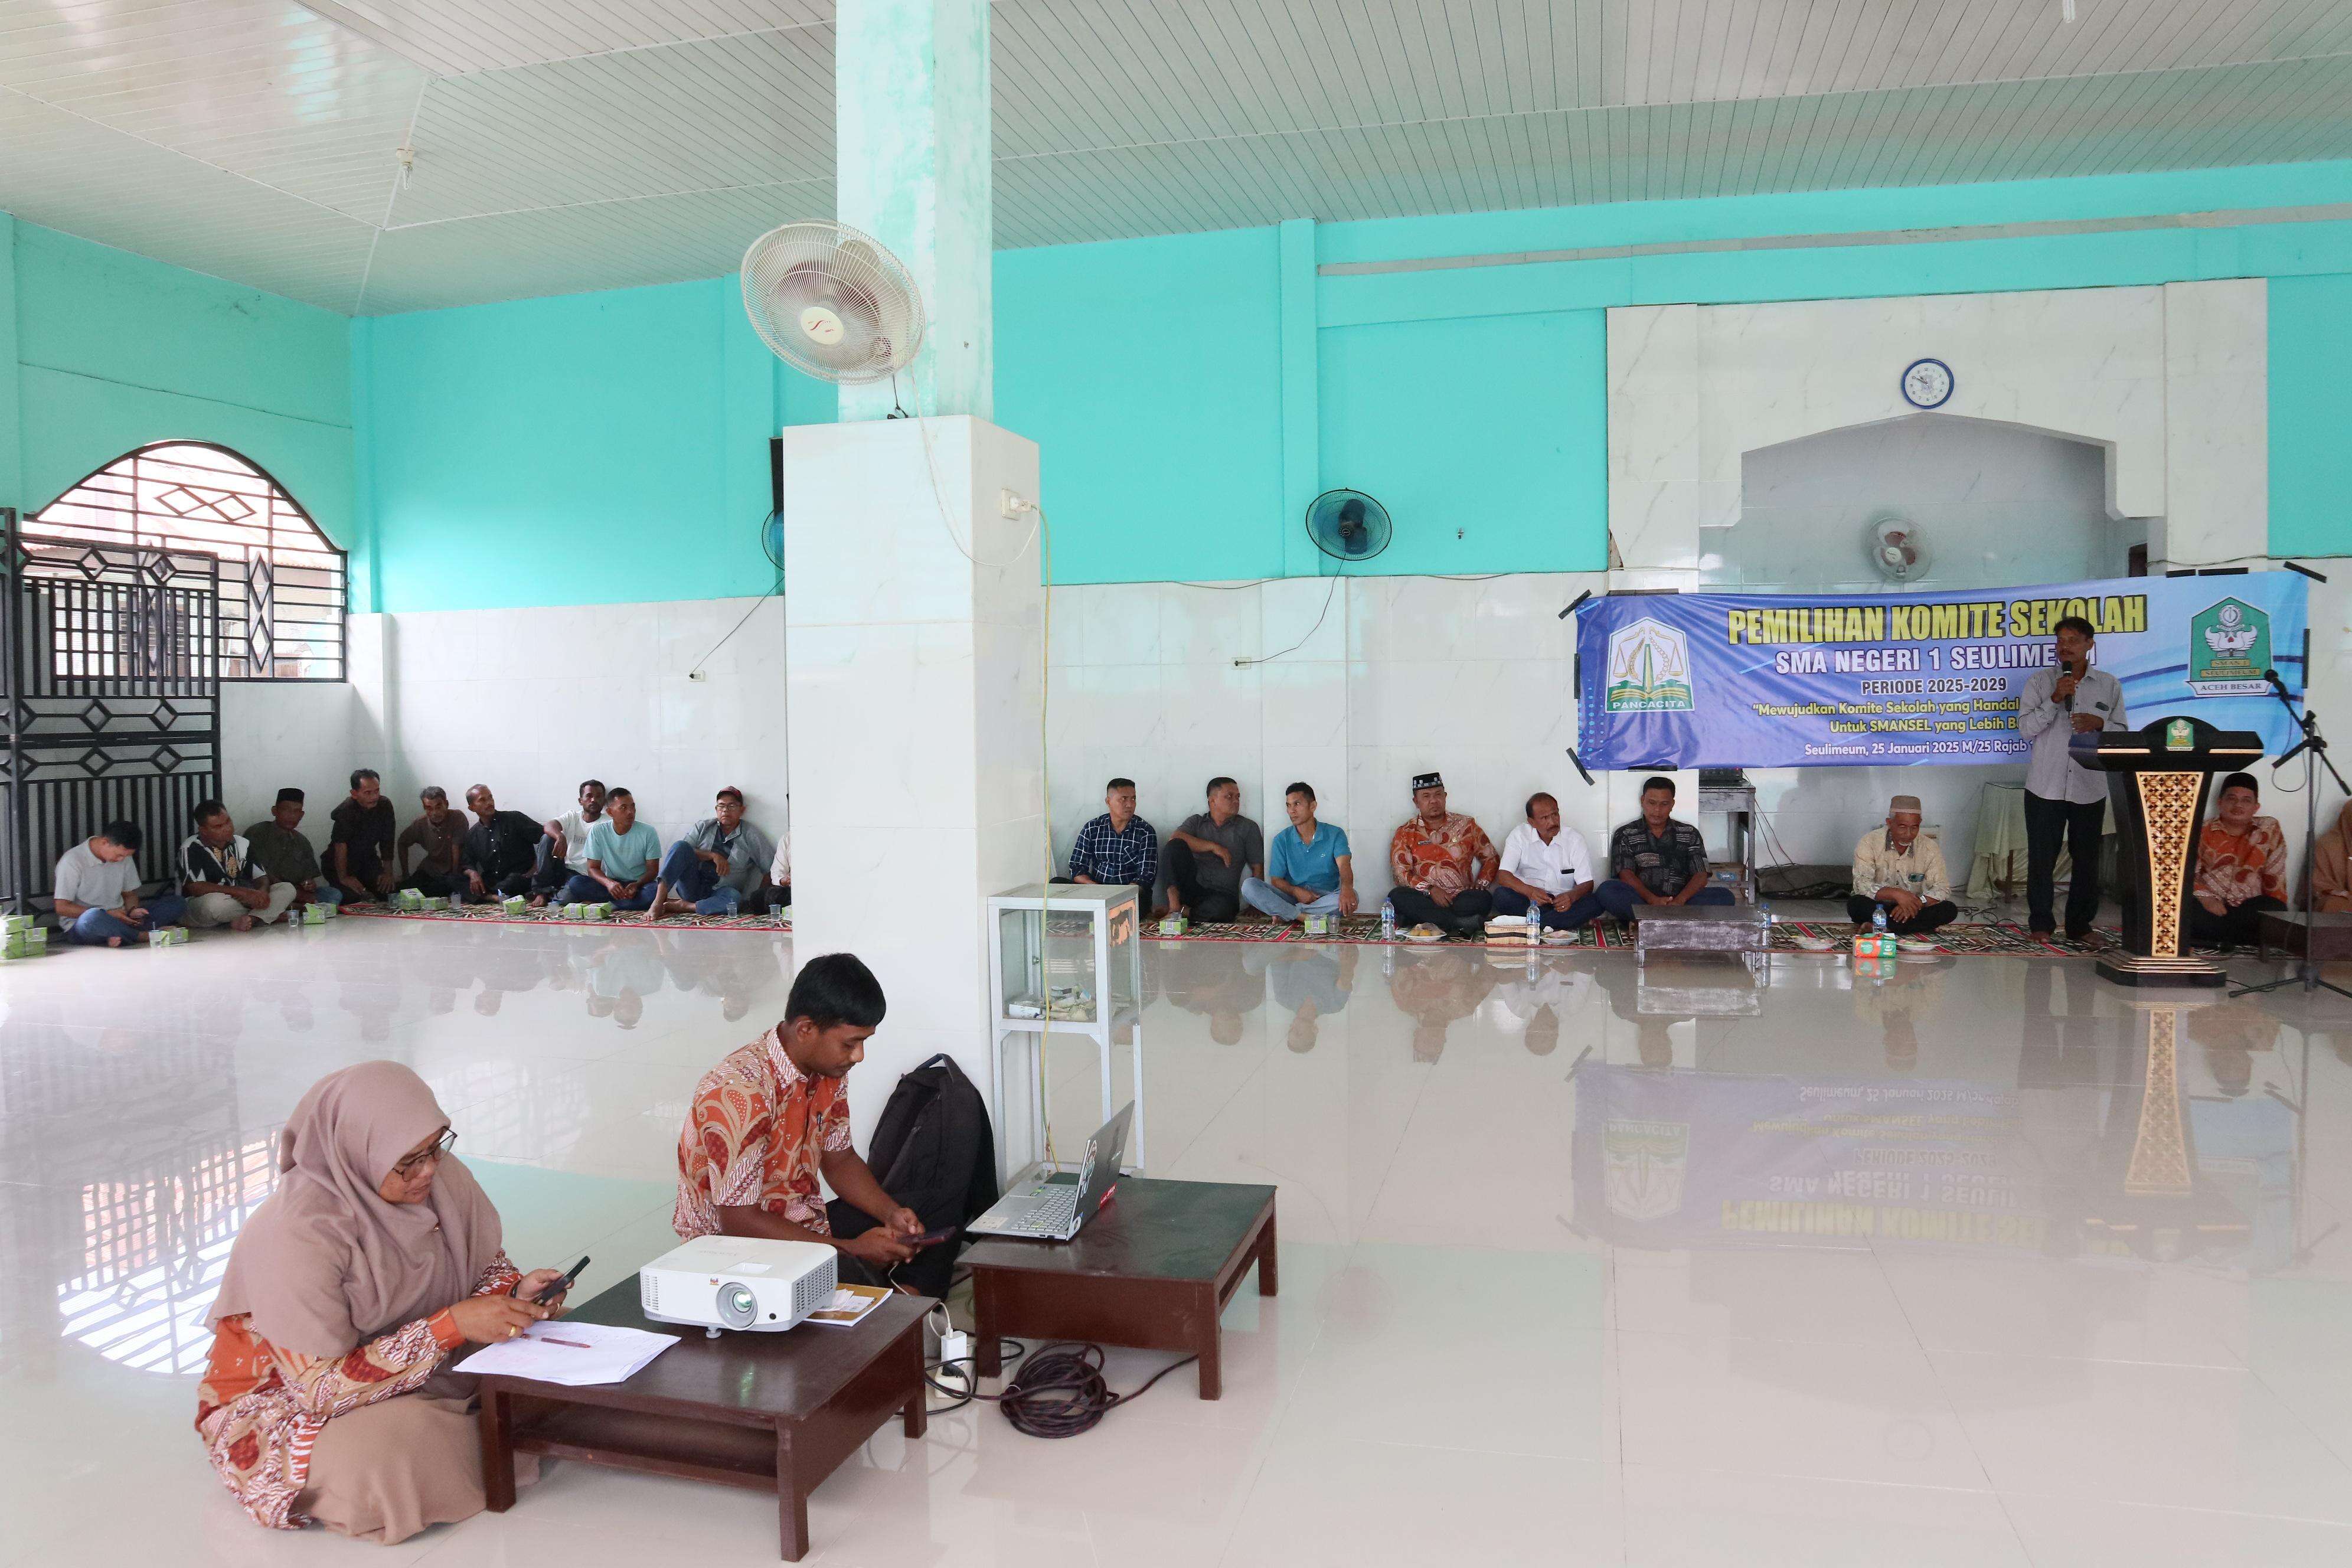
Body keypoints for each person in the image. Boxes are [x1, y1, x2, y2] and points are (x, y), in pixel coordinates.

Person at [197, 1062, 569, 1541]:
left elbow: (486, 1272)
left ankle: (480, 1427)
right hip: (302, 1402)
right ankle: (502, 1432)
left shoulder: (442, 1180)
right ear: (356, 1153)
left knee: (559, 1336)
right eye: (407, 1161)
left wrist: (515, 1297)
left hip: (432, 1363)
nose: (428, 1170)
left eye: (435, 1148)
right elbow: (318, 1390)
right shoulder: (295, 1233)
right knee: (379, 1457)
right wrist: (448, 1328)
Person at [673, 953, 928, 1287]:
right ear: (806, 1029)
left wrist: (891, 1214)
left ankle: (894, 1291)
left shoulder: (828, 1072)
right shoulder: (739, 1093)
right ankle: (885, 1293)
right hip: (733, 1256)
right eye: (851, 1044)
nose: (859, 1056)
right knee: (873, 1280)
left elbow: (840, 1160)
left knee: (919, 1219)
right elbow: (738, 1221)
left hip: (804, 1228)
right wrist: (850, 1250)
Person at [2017, 615, 2126, 939]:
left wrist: (2100, 724)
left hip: (2089, 785)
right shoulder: (2040, 682)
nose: (2065, 647)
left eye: (2073, 641)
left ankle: (2080, 926)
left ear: (2089, 645)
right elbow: (2026, 730)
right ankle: (2041, 925)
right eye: (2061, 641)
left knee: (2087, 861)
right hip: (2045, 786)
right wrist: (2054, 700)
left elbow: (2122, 732)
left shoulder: (2109, 685)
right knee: (2041, 860)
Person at [1595, 776, 1736, 920]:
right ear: (1642, 801)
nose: (1657, 810)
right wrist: (1652, 900)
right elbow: (1626, 874)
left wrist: (1679, 902)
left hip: (1682, 902)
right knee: (1607, 890)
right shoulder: (1626, 833)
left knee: (1725, 896)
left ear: (1672, 804)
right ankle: (1666, 921)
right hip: (1643, 902)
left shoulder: (1689, 833)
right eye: (1652, 803)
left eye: (1664, 804)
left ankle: (1651, 922)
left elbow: (1701, 874)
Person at [1387, 771, 1498, 936]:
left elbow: (1491, 857)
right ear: (1416, 802)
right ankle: (1460, 923)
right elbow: (1400, 873)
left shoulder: (1466, 825)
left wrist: (1481, 883)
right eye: (1426, 796)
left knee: (1483, 898)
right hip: (1425, 897)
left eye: (1438, 794)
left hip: (1461, 898)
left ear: (1445, 796)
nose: (1433, 801)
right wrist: (1430, 890)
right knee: (1397, 897)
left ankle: (1428, 919)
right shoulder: (1406, 832)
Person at [2190, 772, 2288, 950]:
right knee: (2184, 908)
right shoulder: (2201, 830)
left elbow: (2275, 876)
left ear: (2256, 807)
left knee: (2275, 908)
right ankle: (2237, 939)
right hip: (2209, 907)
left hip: (2247, 909)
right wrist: (2206, 898)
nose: (2238, 805)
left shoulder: (2268, 829)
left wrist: (2278, 917)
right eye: (2232, 799)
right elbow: (2187, 873)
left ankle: (2216, 939)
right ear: (2220, 803)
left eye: (2246, 800)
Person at [649, 786, 780, 920]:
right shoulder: (703, 827)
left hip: (722, 892)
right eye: (721, 806)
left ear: (742, 810)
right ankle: (658, 902)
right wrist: (712, 856)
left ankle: (686, 906)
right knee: (680, 846)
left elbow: (771, 869)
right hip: (693, 886)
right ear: (716, 809)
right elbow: (682, 852)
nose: (725, 810)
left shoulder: (751, 834)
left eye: (732, 806)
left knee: (734, 900)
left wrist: (759, 898)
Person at [54, 820, 187, 945]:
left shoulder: (124, 857)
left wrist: (133, 912)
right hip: (84, 924)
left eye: (126, 856)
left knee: (178, 902)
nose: (122, 860)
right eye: (119, 855)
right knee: (92, 917)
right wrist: (108, 914)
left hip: (121, 918)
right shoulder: (72, 861)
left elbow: (129, 894)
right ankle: (141, 936)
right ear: (105, 842)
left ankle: (120, 935)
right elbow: (62, 907)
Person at [1242, 782, 1357, 923]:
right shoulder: (1281, 839)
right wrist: (1296, 891)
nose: (1292, 811)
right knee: (1249, 886)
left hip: (1323, 898)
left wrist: (1347, 888)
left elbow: (1344, 865)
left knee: (1353, 897)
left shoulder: (1335, 834)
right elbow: (1276, 880)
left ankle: (1287, 913)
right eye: (1288, 805)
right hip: (1291, 896)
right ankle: (1302, 916)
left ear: (1313, 806)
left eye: (1297, 804)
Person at [1847, 793, 1958, 935]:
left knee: (1949, 909)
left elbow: (1942, 887)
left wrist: (1918, 902)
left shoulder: (1929, 847)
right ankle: (1912, 926)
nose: (1909, 834)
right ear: (1889, 822)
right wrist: (1896, 894)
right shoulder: (1869, 842)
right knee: (1856, 904)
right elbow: (1861, 884)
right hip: (1880, 907)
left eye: (1914, 827)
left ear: (1920, 823)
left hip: (1915, 908)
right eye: (1903, 827)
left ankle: (1886, 927)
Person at [179, 799, 298, 931]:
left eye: (228, 821)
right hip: (203, 906)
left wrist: (262, 893)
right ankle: (266, 915)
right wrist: (242, 892)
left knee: (287, 888)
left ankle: (251, 919)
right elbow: (196, 888)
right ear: (204, 831)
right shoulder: (191, 848)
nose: (227, 828)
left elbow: (261, 876)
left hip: (240, 901)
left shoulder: (242, 843)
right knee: (215, 904)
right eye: (218, 827)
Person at [1159, 776, 1265, 923]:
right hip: (1192, 889)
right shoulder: (1197, 822)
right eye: (1229, 797)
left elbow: (1257, 867)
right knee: (1174, 847)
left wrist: (1256, 904)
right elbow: (1175, 838)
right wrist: (1214, 847)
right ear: (1212, 801)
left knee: (1222, 912)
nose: (1236, 801)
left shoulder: (1248, 828)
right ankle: (1174, 907)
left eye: (1238, 797)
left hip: (1222, 895)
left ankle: (1183, 912)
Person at [1492, 792, 1602, 931]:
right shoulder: (1519, 836)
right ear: (1532, 822)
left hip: (1564, 904)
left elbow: (1587, 884)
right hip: (1530, 901)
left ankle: (1534, 922)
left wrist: (1571, 897)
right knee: (1502, 896)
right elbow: (1504, 876)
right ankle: (1558, 922)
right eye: (1545, 818)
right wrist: (1530, 892)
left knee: (1596, 901)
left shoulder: (1574, 839)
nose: (1553, 822)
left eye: (1555, 814)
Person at [1063, 778, 1159, 910]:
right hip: (1097, 891)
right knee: (1056, 884)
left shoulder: (1145, 831)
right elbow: (1077, 867)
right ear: (1108, 802)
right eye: (1123, 799)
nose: (1130, 804)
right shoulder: (1093, 828)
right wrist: (1098, 890)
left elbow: (1146, 875)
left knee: (1141, 899)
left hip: (1130, 895)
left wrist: (1119, 897)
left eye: (1133, 799)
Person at [560, 786, 662, 910]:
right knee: (576, 883)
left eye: (632, 807)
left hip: (639, 885)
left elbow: (653, 870)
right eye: (623, 808)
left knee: (655, 891)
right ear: (610, 812)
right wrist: (609, 883)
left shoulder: (648, 832)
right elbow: (592, 869)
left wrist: (637, 885)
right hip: (613, 885)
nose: (630, 812)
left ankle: (611, 905)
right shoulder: (598, 831)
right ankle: (626, 903)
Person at [244, 788, 339, 909]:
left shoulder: (302, 842)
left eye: (296, 811)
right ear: (275, 811)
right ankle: (294, 908)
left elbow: (308, 878)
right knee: (273, 894)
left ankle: (294, 908)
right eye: (286, 810)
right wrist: (296, 893)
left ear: (302, 815)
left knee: (333, 894)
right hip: (268, 889)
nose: (292, 816)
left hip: (296, 893)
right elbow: (259, 873)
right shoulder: (258, 833)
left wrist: (309, 885)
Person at [459, 785, 545, 905]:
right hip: (492, 881)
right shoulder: (473, 834)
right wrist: (472, 873)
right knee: (455, 879)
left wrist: (535, 869)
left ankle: (488, 896)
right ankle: (492, 897)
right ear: (472, 807)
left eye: (490, 798)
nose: (489, 803)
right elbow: (467, 863)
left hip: (520, 878)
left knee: (513, 881)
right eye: (482, 800)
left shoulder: (514, 819)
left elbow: (545, 839)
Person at [328, 769, 397, 904]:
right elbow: (340, 845)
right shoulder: (346, 810)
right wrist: (344, 877)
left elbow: (388, 840)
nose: (374, 797)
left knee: (389, 892)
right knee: (352, 898)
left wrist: (388, 873)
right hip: (341, 863)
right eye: (368, 793)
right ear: (354, 794)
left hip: (368, 860)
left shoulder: (384, 805)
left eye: (377, 791)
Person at [538, 779, 607, 896]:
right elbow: (549, 825)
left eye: (598, 796)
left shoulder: (608, 823)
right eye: (589, 796)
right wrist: (560, 836)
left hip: (585, 876)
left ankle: (553, 895)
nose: (594, 800)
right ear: (581, 801)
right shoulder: (573, 816)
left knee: (567, 897)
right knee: (547, 838)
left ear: (604, 801)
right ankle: (541, 891)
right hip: (564, 868)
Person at [395, 787, 468, 897]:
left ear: (446, 804)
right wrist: (405, 874)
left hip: (452, 872)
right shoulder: (421, 823)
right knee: (403, 892)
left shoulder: (457, 818)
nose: (435, 813)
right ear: (424, 808)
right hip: (429, 871)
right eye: (429, 808)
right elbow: (402, 842)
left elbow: (456, 847)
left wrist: (454, 877)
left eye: (438, 807)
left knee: (442, 889)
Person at [2314, 800, 2352, 914]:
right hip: (2341, 900)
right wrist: (2343, 894)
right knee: (2333, 904)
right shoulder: (2327, 845)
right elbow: (2319, 885)